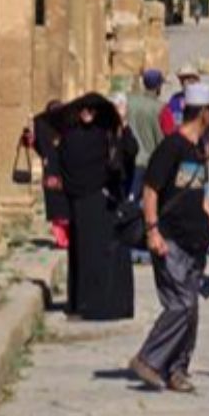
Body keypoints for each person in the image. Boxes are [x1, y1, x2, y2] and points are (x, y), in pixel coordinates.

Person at [131, 85, 209, 394]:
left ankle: (177, 370)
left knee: (191, 309)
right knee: (180, 304)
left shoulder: (197, 151)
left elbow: (201, 200)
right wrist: (153, 230)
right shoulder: (171, 148)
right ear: (204, 113)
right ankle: (148, 359)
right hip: (170, 239)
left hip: (196, 243)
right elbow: (150, 191)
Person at [58, 93, 135, 321]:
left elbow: (130, 151)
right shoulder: (71, 138)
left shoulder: (107, 135)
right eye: (84, 110)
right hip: (85, 203)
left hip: (103, 203)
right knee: (85, 254)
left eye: (92, 110)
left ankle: (103, 303)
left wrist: (122, 125)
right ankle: (84, 303)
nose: (87, 114)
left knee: (103, 254)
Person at [29, 100, 70, 249]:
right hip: (61, 168)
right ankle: (64, 239)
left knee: (57, 205)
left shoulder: (43, 125)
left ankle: (63, 239)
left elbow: (38, 147)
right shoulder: (66, 126)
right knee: (60, 204)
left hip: (53, 167)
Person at [125, 69, 166, 198]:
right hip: (148, 161)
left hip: (128, 157)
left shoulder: (129, 101)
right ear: (159, 86)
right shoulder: (161, 108)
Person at [160, 65, 201, 138]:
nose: (186, 82)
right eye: (183, 79)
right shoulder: (175, 98)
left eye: (189, 79)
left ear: (196, 80)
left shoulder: (201, 100)